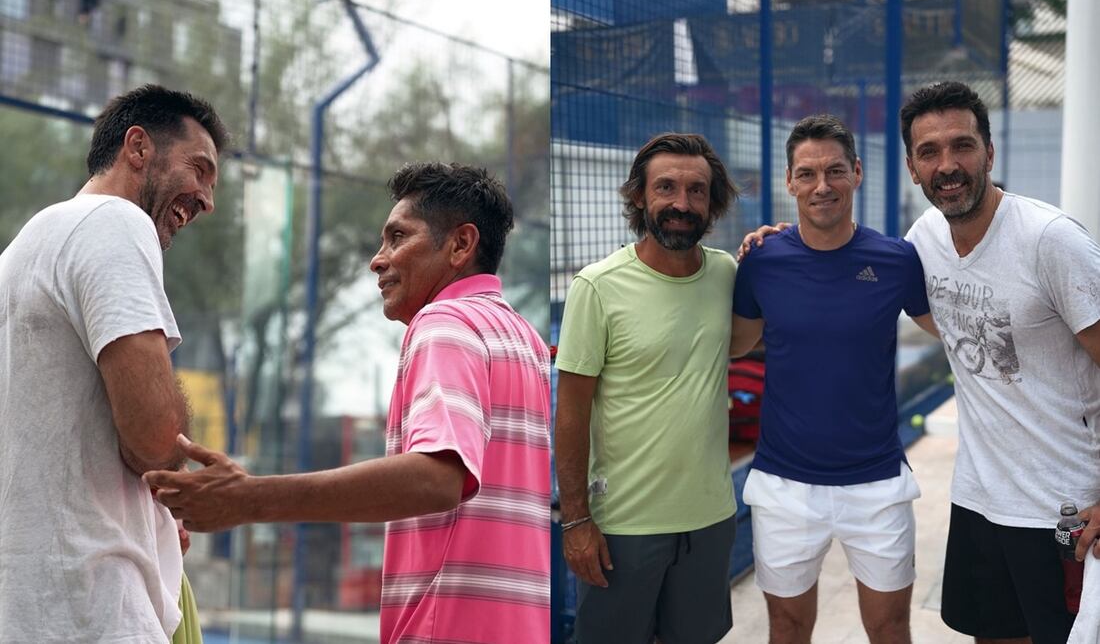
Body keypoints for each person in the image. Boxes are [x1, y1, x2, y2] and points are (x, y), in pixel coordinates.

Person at [145, 162, 551, 644]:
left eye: (398, 237)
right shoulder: (523, 338)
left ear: (461, 245)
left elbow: (439, 477)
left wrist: (248, 498)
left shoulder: (445, 322)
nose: (377, 260)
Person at [0, 84, 227, 642]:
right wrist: (173, 459)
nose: (207, 199)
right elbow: (155, 436)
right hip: (91, 606)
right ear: (138, 148)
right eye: (200, 170)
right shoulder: (114, 222)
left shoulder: (22, 252)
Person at [901, 81, 1100, 644]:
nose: (948, 165)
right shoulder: (924, 239)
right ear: (913, 168)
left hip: (1066, 509)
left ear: (990, 152)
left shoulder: (1050, 241)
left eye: (962, 145)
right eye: (929, 152)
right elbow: (930, 311)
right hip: (980, 500)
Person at [730, 114, 933, 644]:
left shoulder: (896, 260)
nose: (822, 186)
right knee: (789, 627)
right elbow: (732, 345)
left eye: (835, 171)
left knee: (890, 629)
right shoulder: (762, 260)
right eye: (808, 174)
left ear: (857, 173)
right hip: (784, 486)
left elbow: (952, 333)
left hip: (878, 483)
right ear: (790, 182)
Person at [555, 132, 739, 643]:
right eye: (666, 188)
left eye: (697, 190)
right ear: (639, 195)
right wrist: (576, 523)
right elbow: (570, 415)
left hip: (710, 520)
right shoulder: (596, 286)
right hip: (623, 528)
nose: (682, 203)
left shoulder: (727, 272)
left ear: (712, 201)